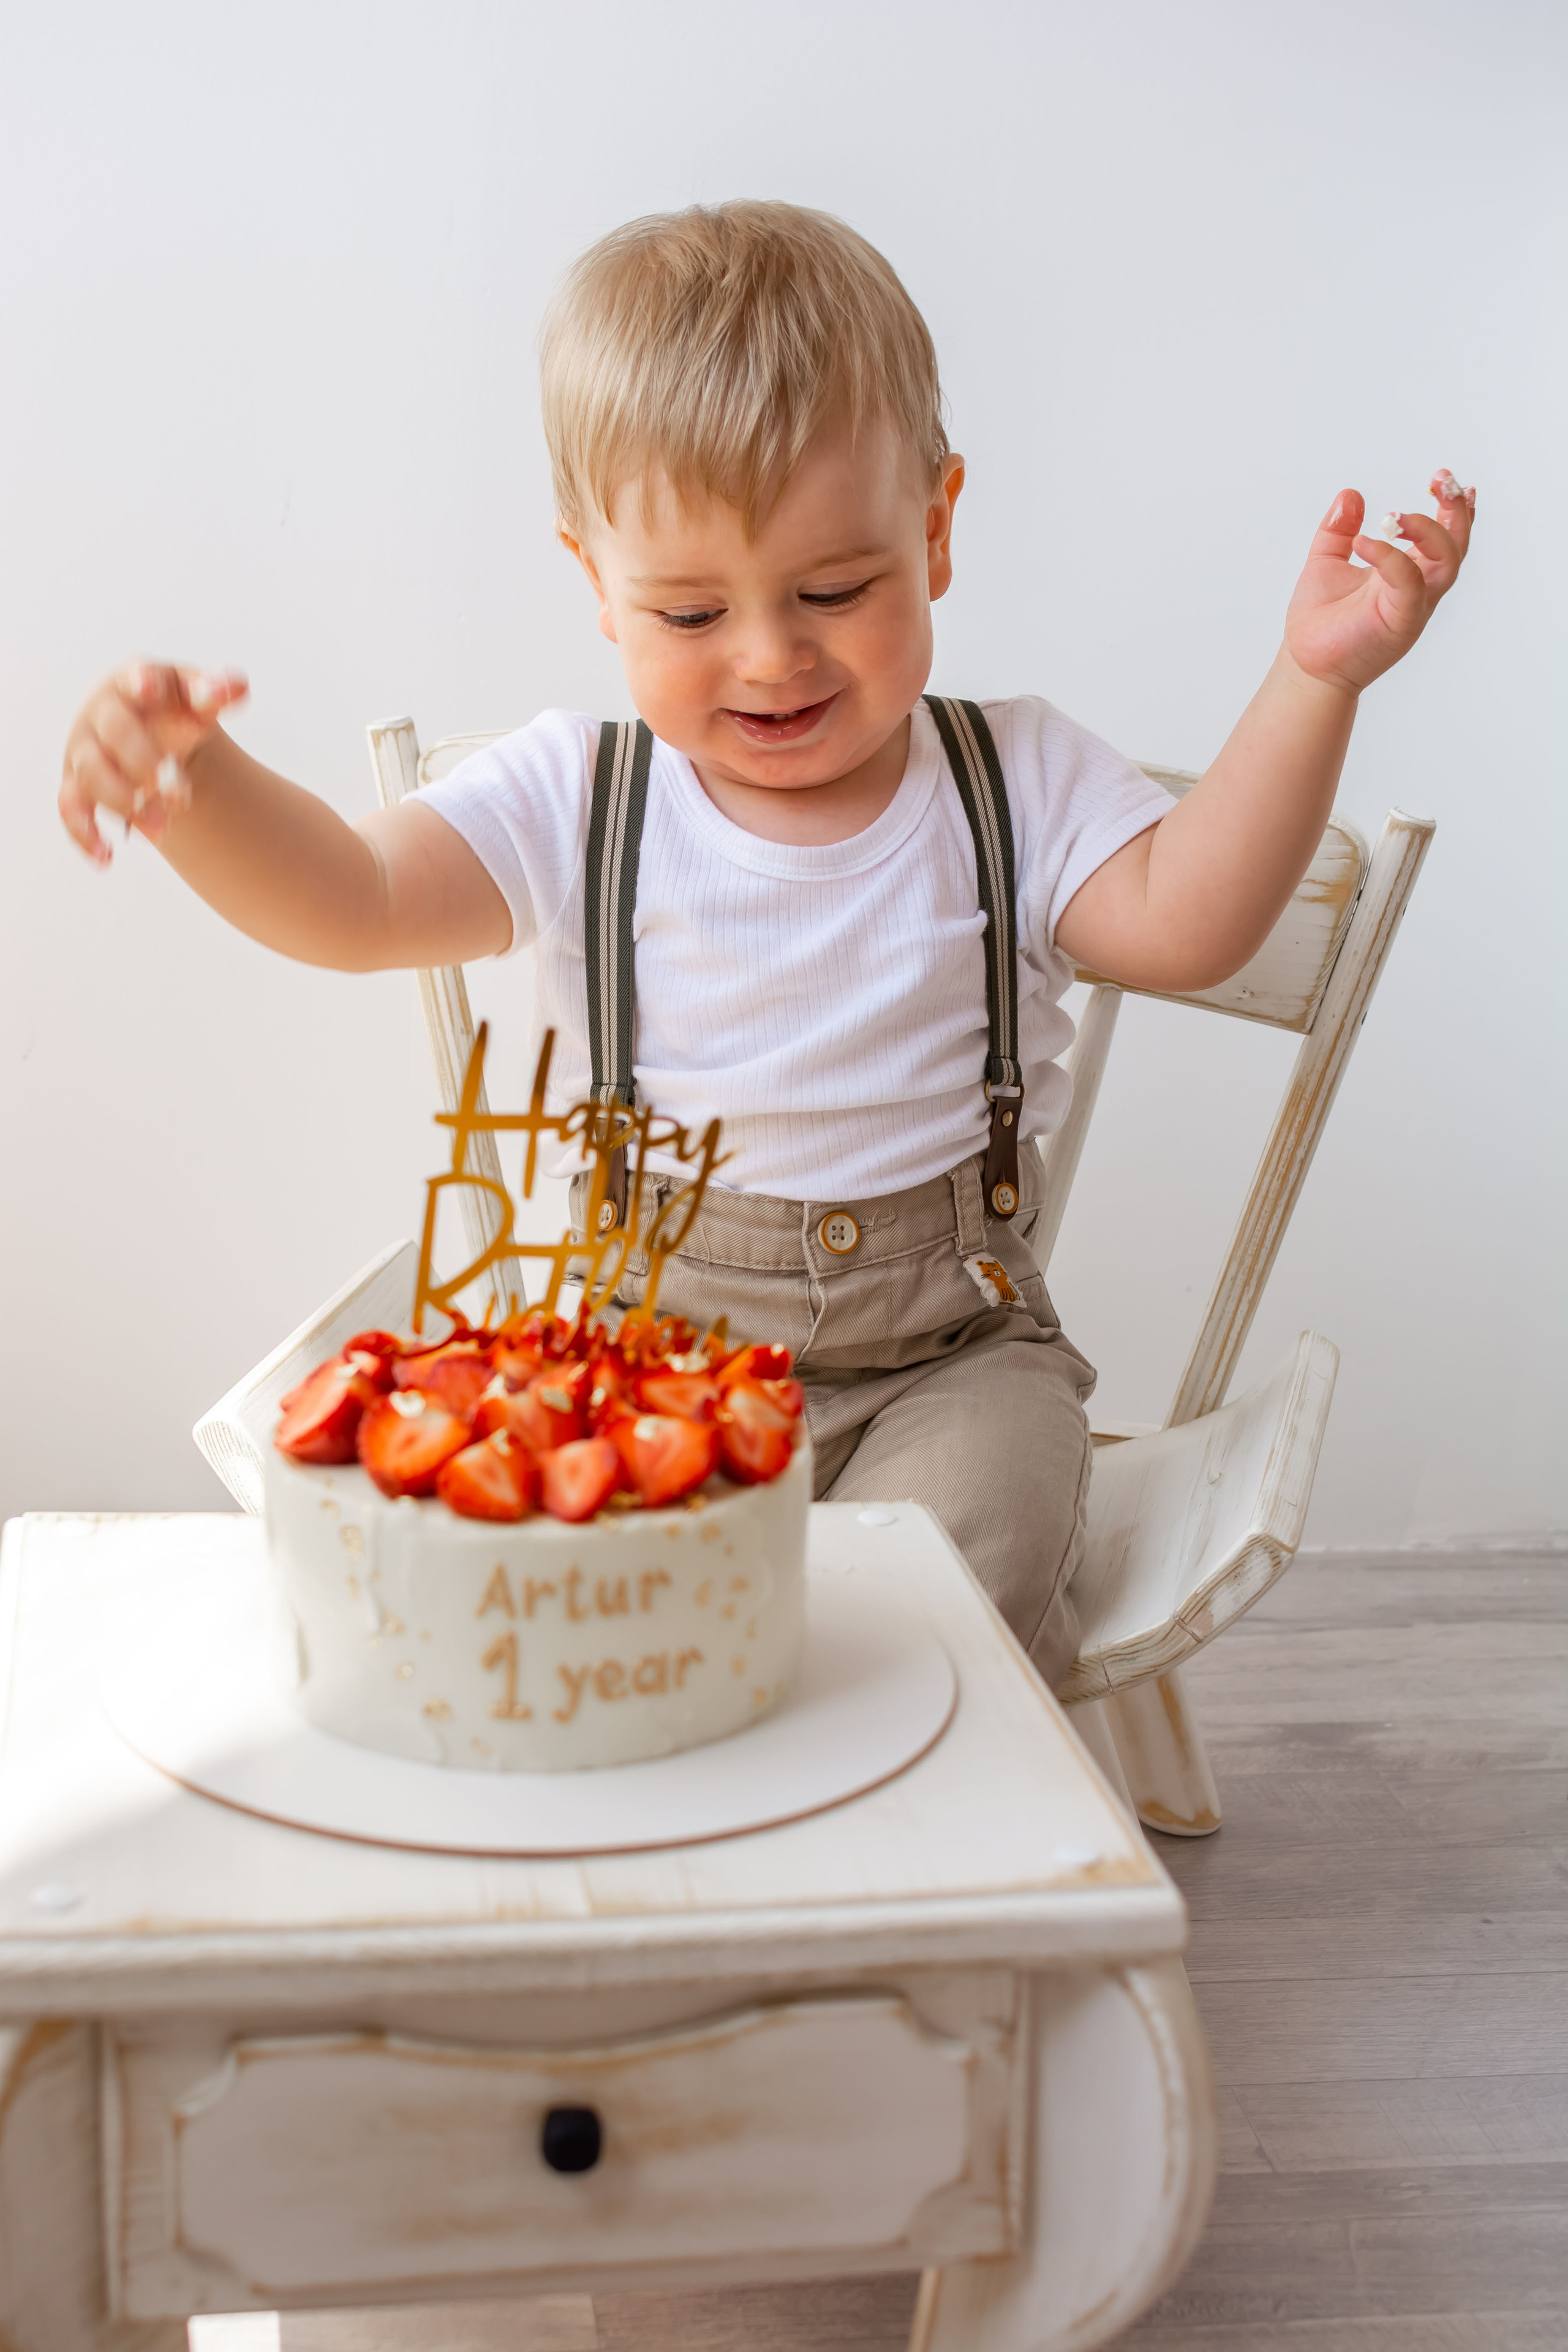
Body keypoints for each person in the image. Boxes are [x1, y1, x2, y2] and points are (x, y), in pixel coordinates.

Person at [57, 201, 1474, 1690]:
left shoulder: (1015, 780)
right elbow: (350, 901)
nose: (768, 653)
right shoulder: (574, 798)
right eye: (687, 609)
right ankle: (669, 1851)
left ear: (933, 527)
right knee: (568, 1601)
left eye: (833, 590)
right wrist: (195, 789)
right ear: (593, 579)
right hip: (637, 1361)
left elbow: (1190, 923)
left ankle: (915, 1860)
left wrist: (1311, 683)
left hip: (946, 1365)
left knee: (961, 1568)